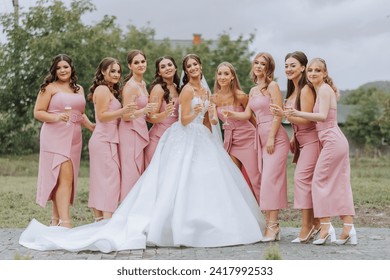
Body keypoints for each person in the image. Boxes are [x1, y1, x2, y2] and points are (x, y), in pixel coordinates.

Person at [19, 53, 264, 252]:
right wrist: (179, 112)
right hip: (178, 134)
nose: (192, 69)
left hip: (199, 138)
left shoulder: (197, 90)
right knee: (160, 181)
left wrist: (210, 115)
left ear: (200, 67)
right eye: (188, 66)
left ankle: (203, 223)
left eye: (194, 65)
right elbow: (180, 118)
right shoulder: (186, 90)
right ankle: (83, 220)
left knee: (198, 182)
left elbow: (208, 119)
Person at [284, 58, 357, 245]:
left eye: (318, 70)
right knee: (339, 182)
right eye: (310, 70)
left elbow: (322, 117)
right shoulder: (321, 90)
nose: (313, 73)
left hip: (332, 140)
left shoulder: (324, 90)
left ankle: (325, 225)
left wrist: (296, 113)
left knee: (318, 181)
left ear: (325, 73)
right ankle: (348, 228)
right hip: (333, 140)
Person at [226, 52, 290, 242]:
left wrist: (271, 137)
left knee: (270, 180)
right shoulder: (253, 90)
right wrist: (230, 114)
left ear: (269, 68)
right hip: (260, 138)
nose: (259, 66)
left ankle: (273, 225)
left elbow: (278, 114)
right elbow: (247, 115)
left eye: (263, 63)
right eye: (256, 62)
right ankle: (272, 225)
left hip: (275, 138)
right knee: (267, 180)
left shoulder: (273, 86)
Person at [33, 54, 94, 228]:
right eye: (59, 67)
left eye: (65, 67)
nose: (62, 70)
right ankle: (66, 223)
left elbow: (80, 114)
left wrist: (92, 127)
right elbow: (38, 112)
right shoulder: (49, 88)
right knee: (64, 178)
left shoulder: (78, 89)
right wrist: (58, 116)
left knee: (63, 180)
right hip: (55, 135)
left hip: (74, 137)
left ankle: (55, 222)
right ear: (54, 70)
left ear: (71, 68)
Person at [270, 51, 321, 243]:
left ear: (303, 68)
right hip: (301, 141)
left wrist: (284, 114)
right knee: (307, 183)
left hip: (312, 141)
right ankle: (316, 225)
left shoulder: (306, 89)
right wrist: (293, 136)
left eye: (293, 65)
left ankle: (307, 227)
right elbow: (297, 121)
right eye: (286, 66)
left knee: (301, 180)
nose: (289, 69)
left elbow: (308, 120)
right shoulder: (291, 91)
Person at [87, 57, 135, 222]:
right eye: (112, 71)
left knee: (104, 181)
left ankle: (101, 222)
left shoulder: (110, 91)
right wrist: (122, 111)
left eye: (118, 71)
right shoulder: (101, 90)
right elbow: (102, 116)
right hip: (102, 141)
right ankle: (107, 222)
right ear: (102, 71)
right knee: (109, 181)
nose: (116, 74)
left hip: (110, 140)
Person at [212, 62, 261, 203]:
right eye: (220, 73)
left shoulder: (241, 96)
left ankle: (263, 214)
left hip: (248, 138)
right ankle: (243, 212)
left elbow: (252, 118)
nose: (222, 77)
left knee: (255, 177)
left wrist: (264, 135)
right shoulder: (214, 98)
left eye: (226, 73)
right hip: (230, 141)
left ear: (232, 77)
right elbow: (213, 120)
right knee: (235, 179)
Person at [118, 50, 153, 201]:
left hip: (140, 130)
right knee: (131, 173)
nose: (140, 65)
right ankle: (126, 212)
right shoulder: (131, 86)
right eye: (136, 62)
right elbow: (125, 115)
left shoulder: (143, 84)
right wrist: (143, 111)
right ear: (130, 66)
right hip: (130, 132)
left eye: (142, 61)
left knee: (139, 172)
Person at [144, 56, 179, 167]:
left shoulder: (178, 88)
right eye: (163, 67)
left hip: (174, 139)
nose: (167, 68)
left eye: (170, 65)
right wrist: (165, 114)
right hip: (159, 140)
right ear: (159, 72)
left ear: (175, 68)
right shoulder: (158, 89)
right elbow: (150, 117)